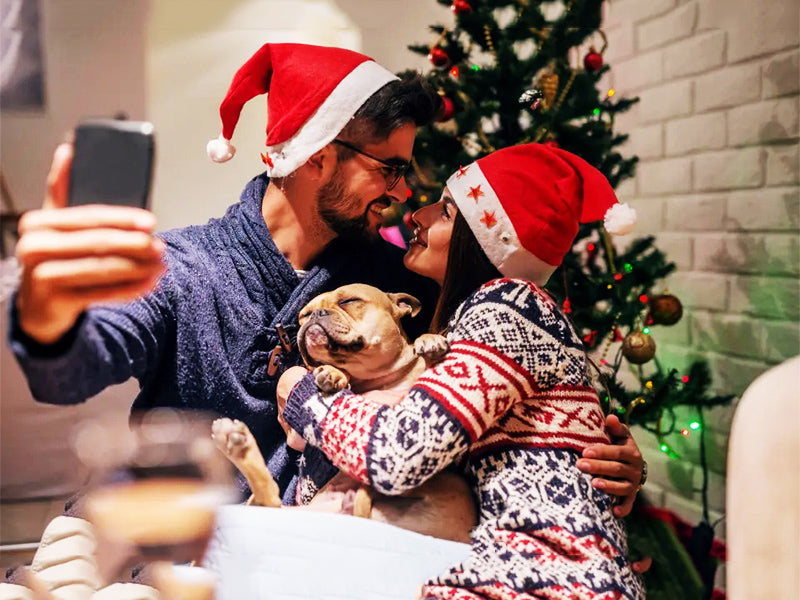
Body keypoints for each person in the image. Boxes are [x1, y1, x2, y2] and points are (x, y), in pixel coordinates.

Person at [9, 43, 641, 507]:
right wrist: (46, 307)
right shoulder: (182, 266)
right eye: (389, 169)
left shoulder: (403, 287)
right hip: (181, 542)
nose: (403, 193)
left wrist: (604, 460)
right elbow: (67, 374)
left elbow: (505, 388)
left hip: (331, 551)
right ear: (316, 156)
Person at [279, 143, 646, 598]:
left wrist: (302, 395)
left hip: (546, 581)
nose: (418, 215)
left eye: (446, 211)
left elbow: (398, 455)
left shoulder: (509, 307)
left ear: (484, 239)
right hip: (498, 568)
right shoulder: (468, 319)